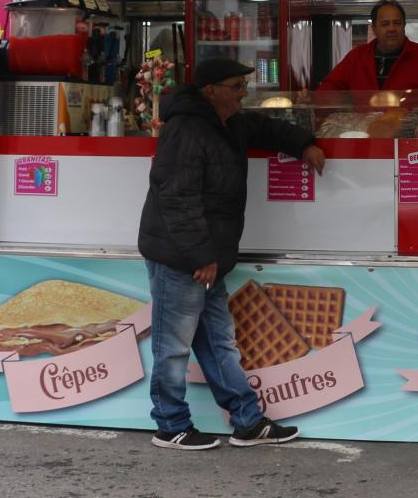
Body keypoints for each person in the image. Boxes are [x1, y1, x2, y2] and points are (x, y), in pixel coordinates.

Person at [138, 57, 326, 450]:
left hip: (210, 259)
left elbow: (266, 128)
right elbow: (177, 198)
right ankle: (170, 425)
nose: (245, 92)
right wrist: (200, 256)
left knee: (219, 344)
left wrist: (304, 144)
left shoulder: (230, 123)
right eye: (237, 86)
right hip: (183, 259)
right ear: (211, 91)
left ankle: (247, 422)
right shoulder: (186, 128)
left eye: (245, 85)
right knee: (173, 348)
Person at [317, 0, 418, 93]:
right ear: (374, 28)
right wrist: (310, 98)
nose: (391, 29)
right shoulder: (356, 57)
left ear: (404, 26)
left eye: (397, 23)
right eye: (385, 24)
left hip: (411, 126)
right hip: (363, 126)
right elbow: (328, 90)